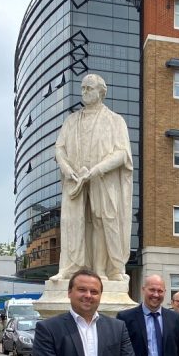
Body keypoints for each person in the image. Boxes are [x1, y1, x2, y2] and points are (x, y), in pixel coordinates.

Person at [52, 74, 132, 282]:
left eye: (89, 88)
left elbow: (122, 154)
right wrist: (67, 168)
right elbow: (59, 149)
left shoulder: (115, 121)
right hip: (75, 180)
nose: (85, 92)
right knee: (74, 222)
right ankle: (71, 267)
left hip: (101, 179)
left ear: (101, 92)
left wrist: (96, 170)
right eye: (83, 88)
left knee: (101, 221)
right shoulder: (71, 121)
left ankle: (102, 270)